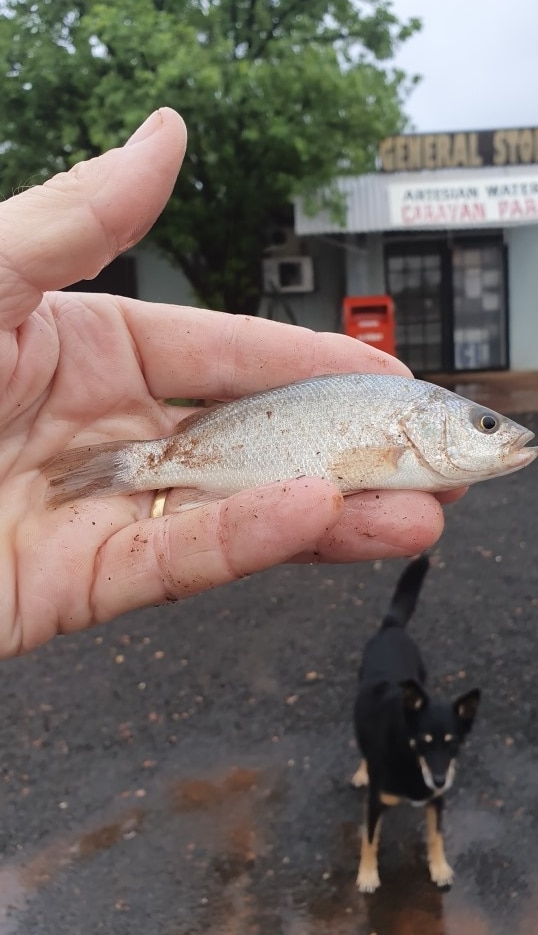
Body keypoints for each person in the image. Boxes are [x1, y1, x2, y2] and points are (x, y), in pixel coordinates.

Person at [0, 108, 462, 659]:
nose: (495, 433)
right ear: (429, 423)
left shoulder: (406, 419)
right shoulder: (404, 412)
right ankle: (133, 467)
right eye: (483, 425)